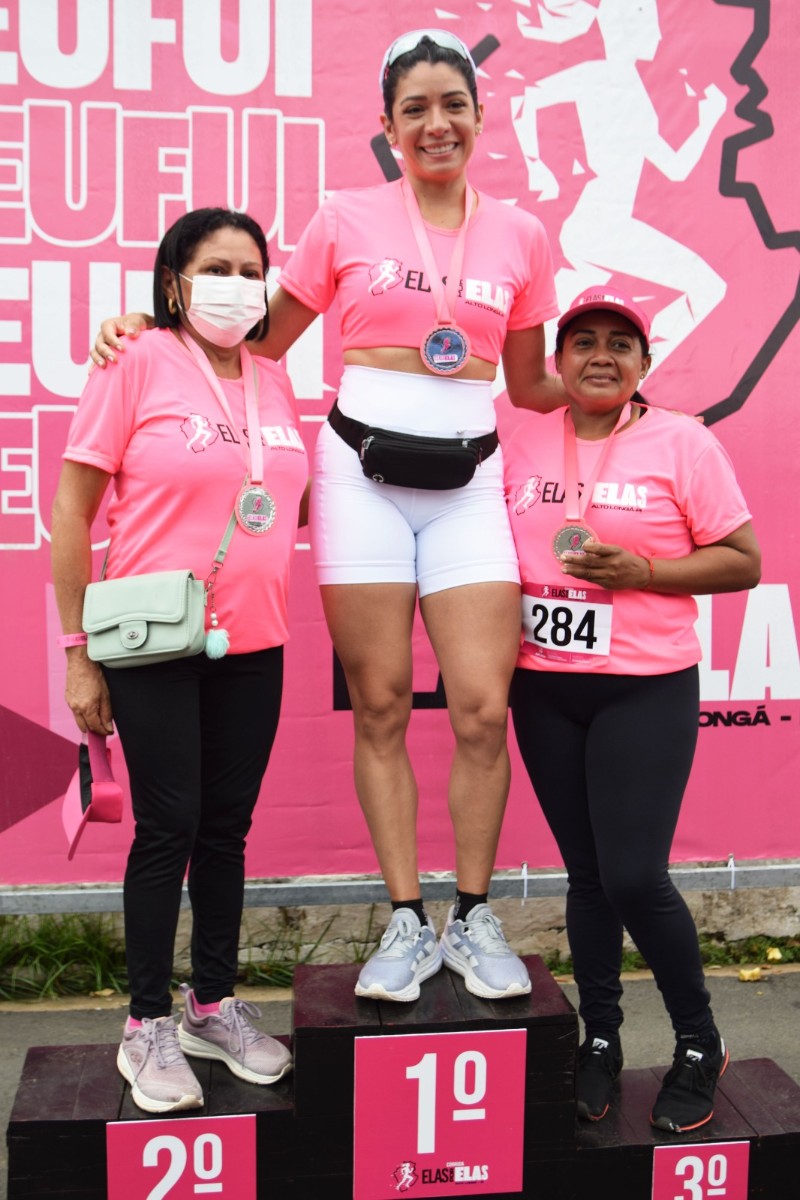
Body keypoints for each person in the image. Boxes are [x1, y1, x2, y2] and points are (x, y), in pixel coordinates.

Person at [90, 29, 567, 1004]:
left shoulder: (519, 233)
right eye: (414, 109)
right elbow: (256, 340)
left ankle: (470, 917)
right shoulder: (344, 217)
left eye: (452, 105)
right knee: (382, 702)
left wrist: (611, 385)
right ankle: (402, 921)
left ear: (480, 116)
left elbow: (525, 382)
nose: (435, 123)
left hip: (468, 483)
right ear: (386, 127)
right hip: (360, 479)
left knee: (481, 708)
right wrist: (150, 330)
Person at [52, 207, 308, 1114]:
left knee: (226, 829)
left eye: (251, 269)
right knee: (169, 824)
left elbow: (281, 505)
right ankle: (146, 1023)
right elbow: (73, 513)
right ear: (175, 283)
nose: (237, 284)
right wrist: (79, 656)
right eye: (217, 268)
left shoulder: (276, 382)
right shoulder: (135, 361)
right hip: (153, 640)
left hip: (256, 641)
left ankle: (211, 1003)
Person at [503, 287, 761, 1131]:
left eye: (621, 343)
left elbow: (742, 560)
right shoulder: (519, 435)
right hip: (542, 684)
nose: (602, 356)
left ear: (645, 365)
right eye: (583, 342)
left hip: (643, 685)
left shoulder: (681, 441)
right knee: (586, 877)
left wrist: (645, 574)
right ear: (559, 362)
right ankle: (601, 1039)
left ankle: (697, 1038)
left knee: (634, 875)